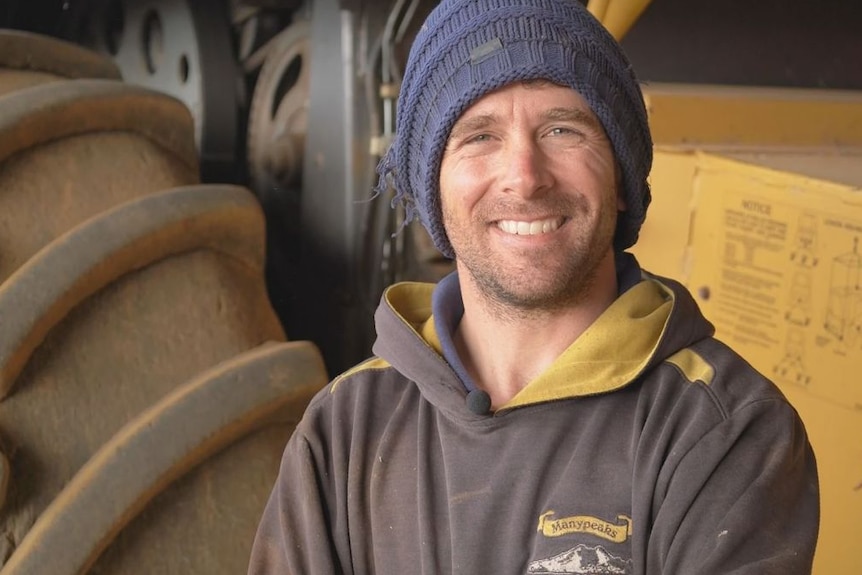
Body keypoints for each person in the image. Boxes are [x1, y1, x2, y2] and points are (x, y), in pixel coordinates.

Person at [248, 0, 820, 573]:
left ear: (621, 179)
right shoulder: (344, 428)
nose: (524, 176)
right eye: (479, 136)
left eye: (562, 129)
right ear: (434, 193)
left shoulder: (724, 429)